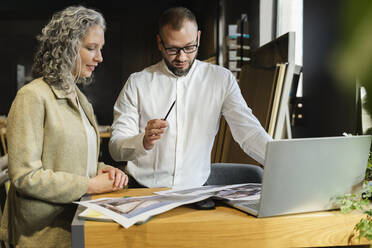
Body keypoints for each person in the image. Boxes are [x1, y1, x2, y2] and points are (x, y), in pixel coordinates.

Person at [0, 6, 128, 247]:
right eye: (91, 48)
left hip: (76, 224)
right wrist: (89, 185)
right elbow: (25, 177)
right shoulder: (33, 96)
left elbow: (71, 157)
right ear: (67, 48)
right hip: (42, 235)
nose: (99, 57)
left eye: (100, 49)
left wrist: (103, 169)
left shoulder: (80, 98)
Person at [109, 7, 272, 188]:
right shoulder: (137, 83)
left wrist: (282, 161)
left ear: (199, 38)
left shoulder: (221, 79)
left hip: (196, 193)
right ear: (159, 43)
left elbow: (249, 133)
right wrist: (143, 141)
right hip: (144, 191)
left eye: (189, 47)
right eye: (172, 49)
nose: (182, 57)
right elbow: (116, 148)